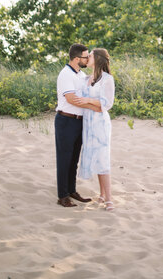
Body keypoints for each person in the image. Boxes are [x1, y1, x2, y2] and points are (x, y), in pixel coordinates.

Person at [72, 48, 115, 211]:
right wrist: (90, 103)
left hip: (100, 123)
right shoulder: (86, 79)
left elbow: (106, 103)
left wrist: (88, 101)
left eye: (89, 56)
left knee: (103, 158)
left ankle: (109, 198)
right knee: (96, 158)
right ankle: (102, 195)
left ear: (97, 59)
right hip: (88, 123)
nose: (86, 58)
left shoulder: (107, 79)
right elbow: (80, 100)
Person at [55, 43, 92, 207]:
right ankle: (62, 196)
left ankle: (72, 190)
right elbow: (71, 99)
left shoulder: (81, 74)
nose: (88, 59)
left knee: (74, 159)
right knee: (64, 159)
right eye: (86, 56)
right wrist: (93, 104)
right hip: (66, 120)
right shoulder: (65, 75)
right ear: (77, 59)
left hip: (79, 121)